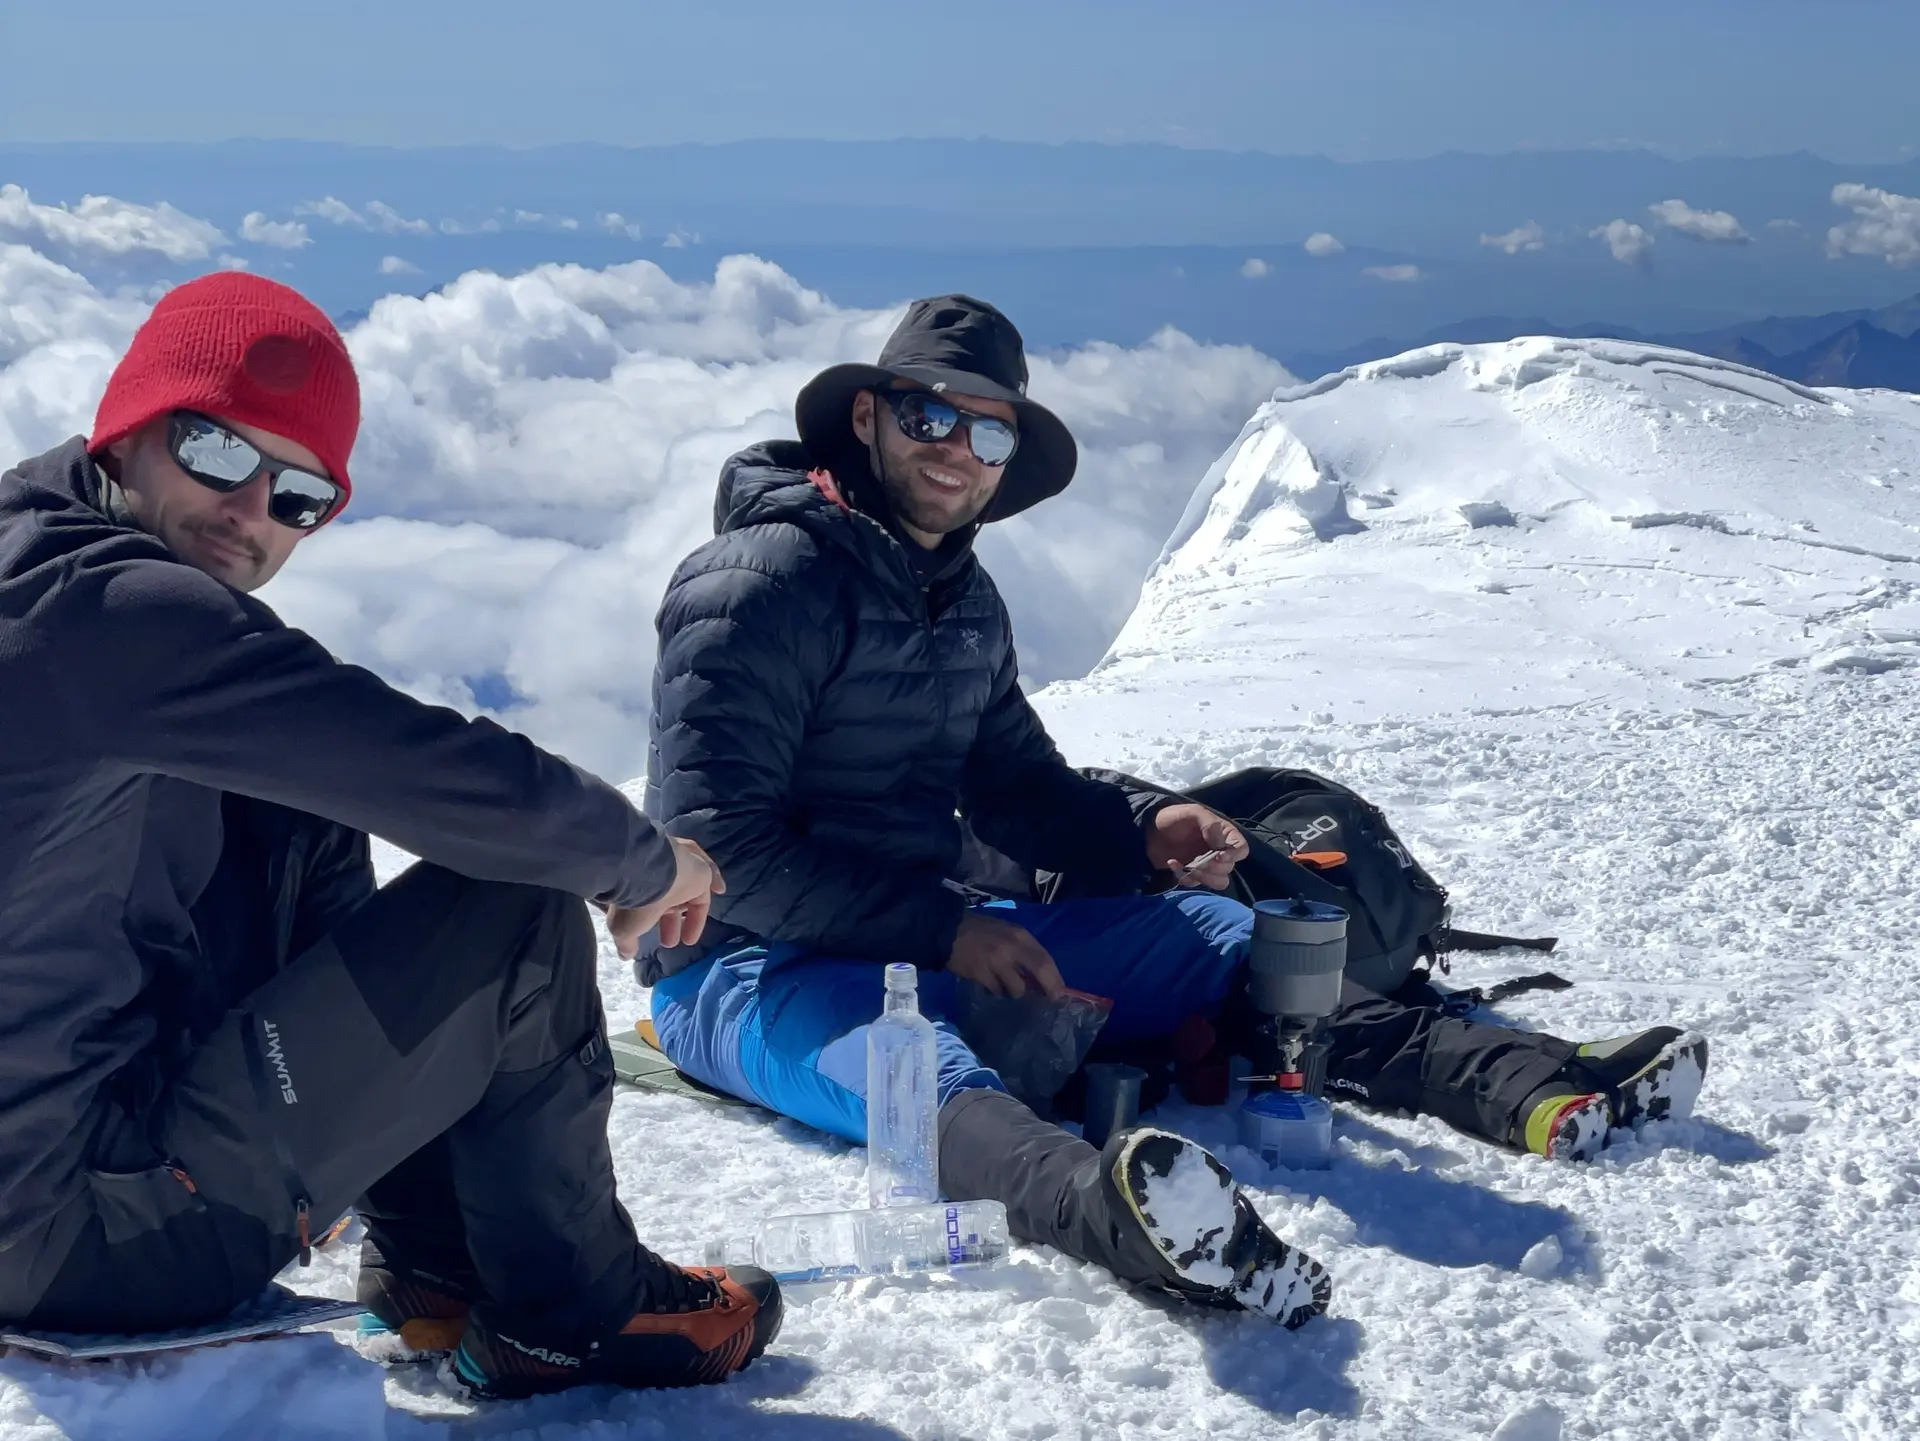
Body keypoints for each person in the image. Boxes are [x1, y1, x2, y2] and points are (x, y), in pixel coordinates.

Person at [641, 296, 1710, 1327]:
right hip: (741, 969)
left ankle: (1528, 1086)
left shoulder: (962, 601)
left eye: (989, 430)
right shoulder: (758, 583)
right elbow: (717, 849)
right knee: (917, 1071)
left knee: (1228, 934)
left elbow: (1017, 788)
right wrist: (950, 932)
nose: (957, 447)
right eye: (931, 412)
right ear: (866, 417)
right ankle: (1119, 1213)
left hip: (928, 938)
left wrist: (1145, 832)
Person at [0, 272, 779, 1400]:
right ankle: (579, 1311)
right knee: (513, 906)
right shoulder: (116, 613)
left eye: (299, 493)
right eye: (218, 452)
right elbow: (428, 768)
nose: (251, 510)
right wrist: (646, 859)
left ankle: (431, 1266)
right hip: (88, 1236)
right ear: (130, 427)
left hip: (48, 1158)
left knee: (291, 802)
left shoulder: (36, 554)